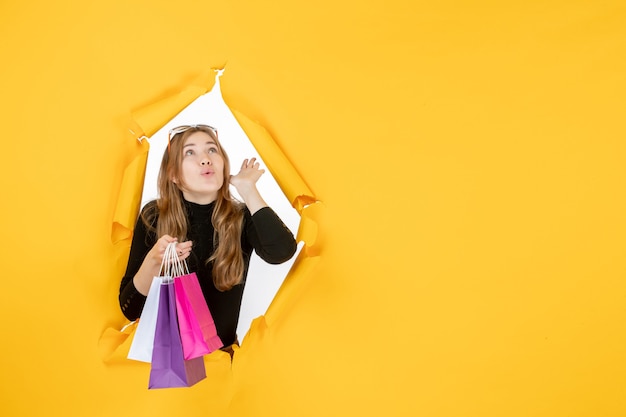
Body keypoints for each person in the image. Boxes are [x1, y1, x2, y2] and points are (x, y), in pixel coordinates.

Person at [119, 124, 297, 354]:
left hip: (221, 365)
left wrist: (248, 190)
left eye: (212, 150)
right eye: (190, 152)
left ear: (223, 164)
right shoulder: (154, 216)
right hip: (167, 367)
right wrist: (153, 262)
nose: (205, 159)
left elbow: (282, 252)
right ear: (173, 174)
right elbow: (130, 310)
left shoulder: (241, 217)